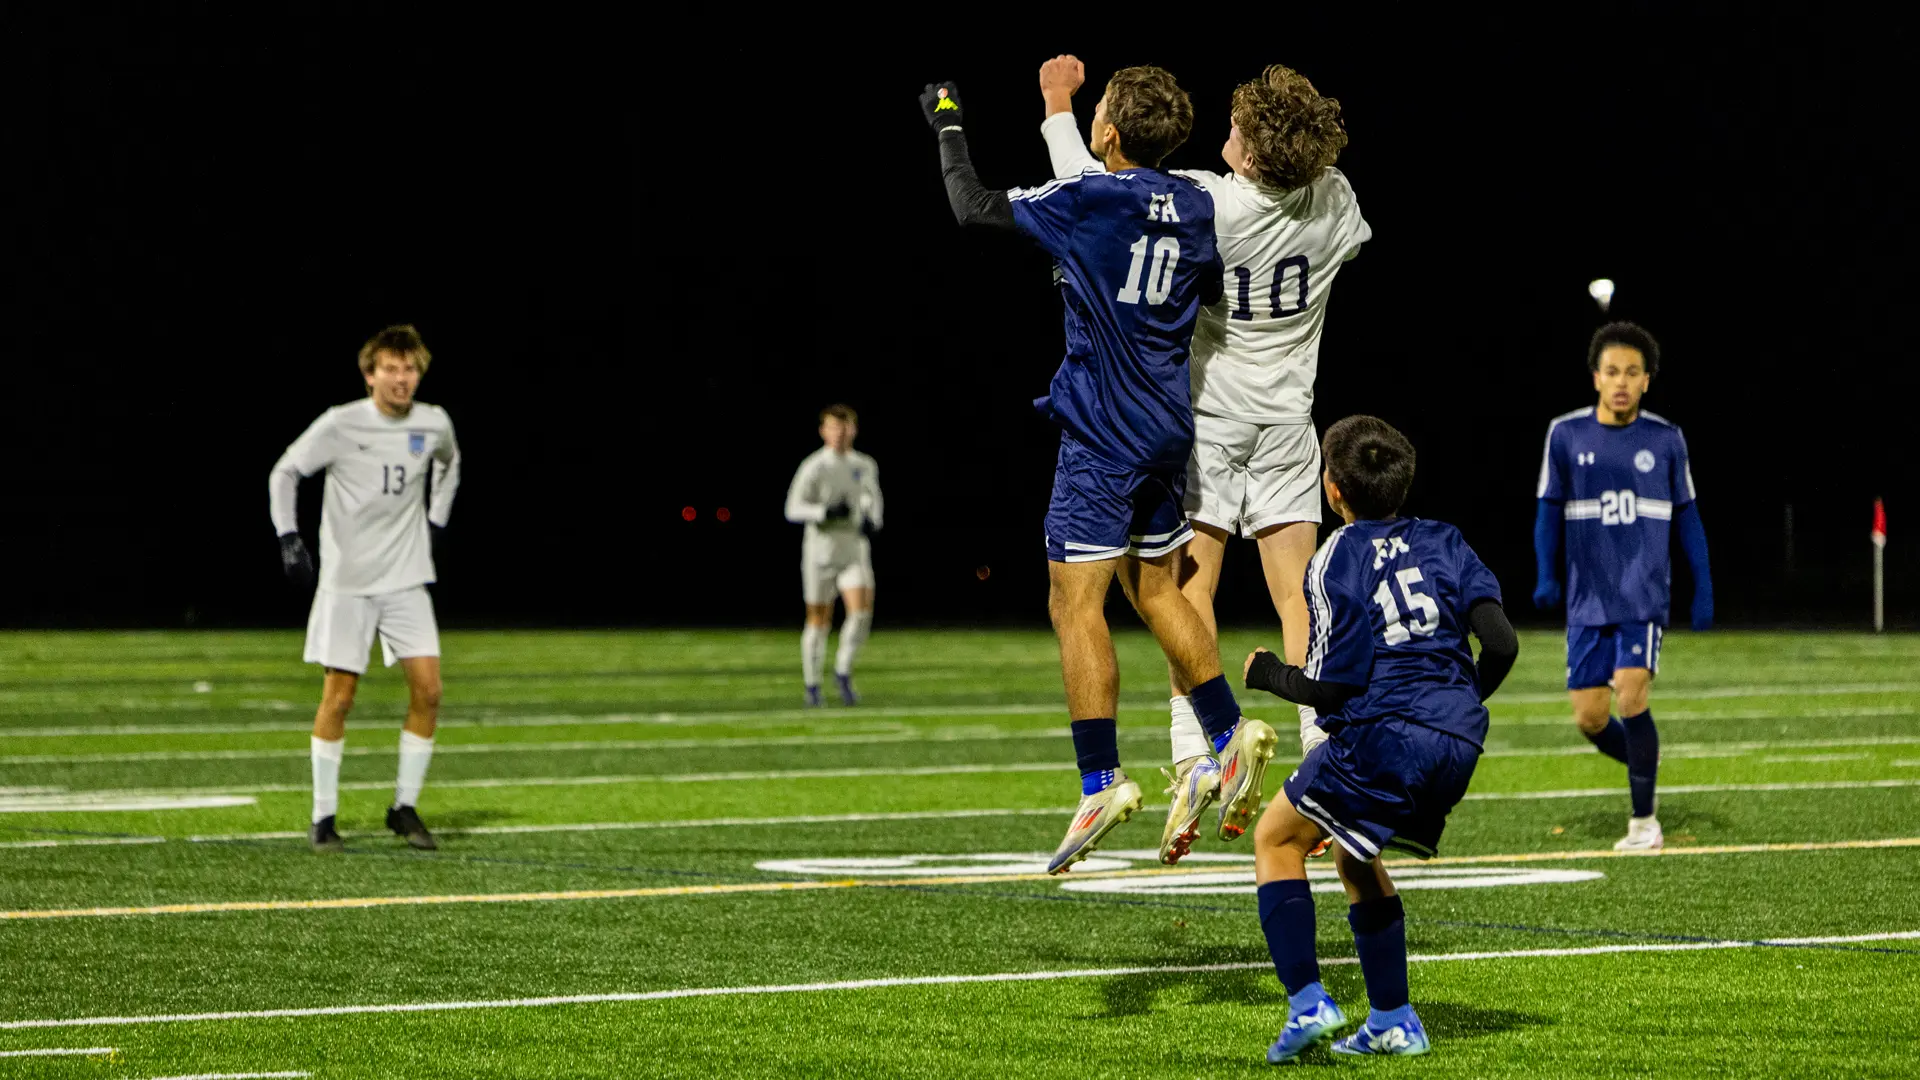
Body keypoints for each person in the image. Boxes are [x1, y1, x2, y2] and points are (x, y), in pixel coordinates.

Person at [920, 69, 1276, 874]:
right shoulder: (1192, 205)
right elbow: (1212, 287)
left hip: (1100, 438)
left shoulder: (1087, 201)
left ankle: (1099, 780)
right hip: (1166, 428)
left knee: (1072, 602)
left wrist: (946, 119)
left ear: (1109, 133)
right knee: (1156, 590)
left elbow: (971, 206)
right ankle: (1224, 736)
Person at [1037, 56, 1370, 860]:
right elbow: (1347, 243)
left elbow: (1096, 191)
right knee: (1300, 598)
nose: (1226, 133)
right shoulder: (1335, 197)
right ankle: (1323, 755)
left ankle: (1195, 755)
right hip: (1289, 420)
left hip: (1210, 414)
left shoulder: (1210, 202)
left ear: (1253, 155)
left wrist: (1057, 109)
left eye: (1240, 129)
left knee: (1184, 588)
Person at [1241, 415, 1518, 1061]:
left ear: (1332, 489)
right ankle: (1393, 1017)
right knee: (1351, 852)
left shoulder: (1334, 556)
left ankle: (1307, 1000)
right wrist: (1454, 704)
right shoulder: (1446, 539)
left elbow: (1333, 689)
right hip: (1458, 739)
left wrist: (1270, 675)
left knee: (1276, 838)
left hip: (1387, 734)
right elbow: (1501, 643)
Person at [268, 324, 461, 853]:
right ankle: (323, 818)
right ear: (370, 373)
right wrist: (289, 538)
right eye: (392, 369)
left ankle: (403, 808)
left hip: (405, 580)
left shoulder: (433, 421)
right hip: (348, 583)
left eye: (411, 369)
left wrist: (436, 521)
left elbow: (450, 464)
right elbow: (284, 472)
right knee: (340, 698)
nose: (402, 379)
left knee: (429, 690)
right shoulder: (341, 423)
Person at [1534, 321, 1712, 852]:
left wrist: (1702, 588)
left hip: (1643, 596)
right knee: (1590, 718)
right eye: (1612, 371)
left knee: (1631, 699)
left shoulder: (1665, 439)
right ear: (1595, 377)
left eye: (1632, 372)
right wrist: (1545, 574)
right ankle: (1645, 757)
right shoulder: (1565, 435)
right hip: (1587, 600)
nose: (1621, 381)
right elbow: (1547, 510)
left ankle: (1644, 823)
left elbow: (1688, 517)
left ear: (1647, 381)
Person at [783, 404, 883, 706]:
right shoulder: (814, 466)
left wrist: (872, 521)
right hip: (820, 551)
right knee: (818, 620)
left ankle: (842, 670)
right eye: (834, 427)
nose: (840, 433)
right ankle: (812, 685)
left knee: (862, 612)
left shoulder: (864, 464)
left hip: (853, 548)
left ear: (854, 429)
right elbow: (792, 509)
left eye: (845, 427)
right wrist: (823, 512)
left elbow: (873, 499)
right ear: (823, 431)